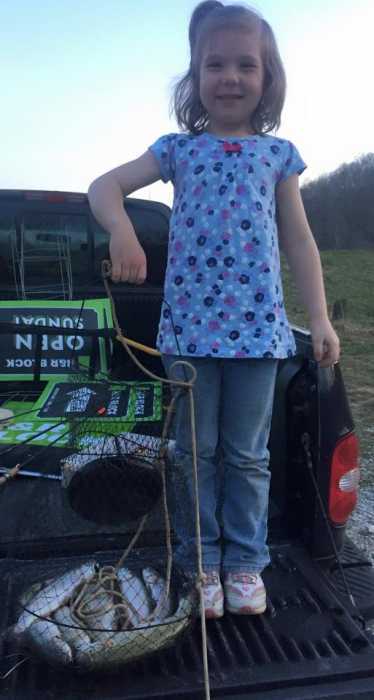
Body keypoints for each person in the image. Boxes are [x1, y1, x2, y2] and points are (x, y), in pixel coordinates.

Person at [88, 1, 340, 619]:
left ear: (267, 79)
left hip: (258, 336)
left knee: (248, 456)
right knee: (192, 454)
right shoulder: (177, 150)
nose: (230, 76)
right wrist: (121, 231)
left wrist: (323, 316)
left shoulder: (278, 156)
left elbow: (300, 241)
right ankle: (202, 564)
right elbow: (104, 187)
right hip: (189, 334)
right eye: (215, 64)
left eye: (245, 65)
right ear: (196, 78)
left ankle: (245, 564)